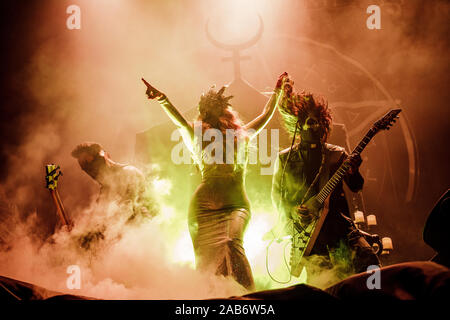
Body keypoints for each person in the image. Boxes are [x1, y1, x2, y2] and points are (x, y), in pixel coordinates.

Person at [142, 73, 289, 290]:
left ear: (224, 112)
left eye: (213, 111)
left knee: (232, 245)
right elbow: (180, 122)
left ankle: (251, 299)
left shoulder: (241, 135)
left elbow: (266, 113)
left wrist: (277, 91)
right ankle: (209, 300)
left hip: (235, 205)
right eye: (206, 112)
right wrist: (162, 99)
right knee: (205, 261)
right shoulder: (196, 134)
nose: (209, 117)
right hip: (202, 207)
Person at [271, 86, 380, 277]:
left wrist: (354, 170)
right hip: (311, 235)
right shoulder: (286, 158)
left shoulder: (337, 154)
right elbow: (277, 196)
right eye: (310, 122)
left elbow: (356, 186)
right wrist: (292, 213)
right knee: (322, 284)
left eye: (318, 122)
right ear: (299, 124)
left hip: (340, 227)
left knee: (370, 264)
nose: (315, 127)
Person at [71, 142, 157, 223]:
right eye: (84, 168)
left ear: (104, 157)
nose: (90, 171)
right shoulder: (104, 192)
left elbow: (136, 214)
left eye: (89, 164)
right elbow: (99, 222)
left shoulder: (129, 173)